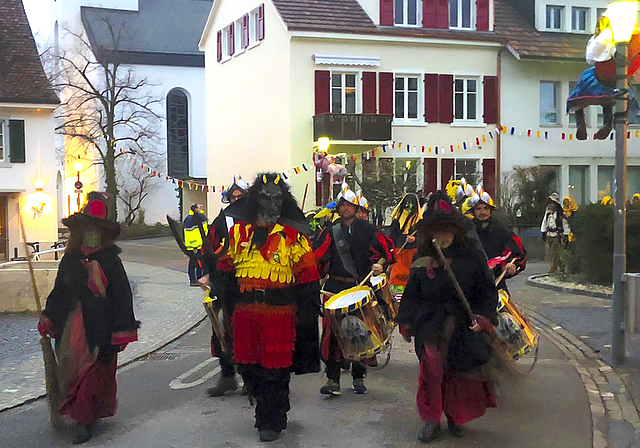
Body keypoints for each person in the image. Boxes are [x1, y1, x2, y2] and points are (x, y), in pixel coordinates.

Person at [214, 173, 321, 442]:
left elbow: (308, 280)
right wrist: (215, 283)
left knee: (275, 369)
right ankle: (266, 410)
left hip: (280, 314)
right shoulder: (238, 234)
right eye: (265, 198)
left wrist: (306, 319)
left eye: (277, 198)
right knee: (249, 368)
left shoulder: (293, 238)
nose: (271, 204)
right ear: (254, 201)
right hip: (245, 313)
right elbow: (226, 270)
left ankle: (272, 419)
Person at [396, 191, 498, 444]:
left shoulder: (472, 257)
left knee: (456, 372)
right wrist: (406, 320)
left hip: (461, 323)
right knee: (431, 368)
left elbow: (487, 290)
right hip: (430, 322)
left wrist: (483, 316)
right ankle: (431, 419)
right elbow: (412, 292)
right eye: (437, 230)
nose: (443, 235)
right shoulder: (422, 259)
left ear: (456, 231)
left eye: (447, 229)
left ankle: (454, 416)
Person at [38, 192, 139, 444]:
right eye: (88, 229)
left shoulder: (111, 261)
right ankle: (81, 413)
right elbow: (60, 291)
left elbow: (122, 295)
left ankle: (84, 421)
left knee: (93, 374)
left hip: (101, 327)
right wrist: (49, 316)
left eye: (96, 229)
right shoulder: (70, 259)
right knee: (72, 371)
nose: (91, 233)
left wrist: (122, 330)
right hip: (72, 326)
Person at [313, 184, 394, 396]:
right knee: (332, 334)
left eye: (349, 205)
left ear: (356, 207)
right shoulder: (331, 230)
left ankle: (358, 377)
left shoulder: (368, 229)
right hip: (336, 287)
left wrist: (381, 265)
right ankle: (333, 379)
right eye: (342, 205)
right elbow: (317, 257)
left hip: (360, 286)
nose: (345, 208)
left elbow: (388, 251)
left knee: (359, 332)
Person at [199, 175, 248, 397]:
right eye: (233, 197)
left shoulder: (255, 220)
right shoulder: (221, 221)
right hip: (223, 283)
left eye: (240, 196)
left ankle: (250, 378)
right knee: (221, 330)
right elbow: (208, 249)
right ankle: (227, 376)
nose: (236, 200)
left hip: (248, 283)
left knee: (246, 332)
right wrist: (206, 274)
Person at [567, 9, 640, 140]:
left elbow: (591, 58)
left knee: (579, 96)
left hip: (598, 78)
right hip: (617, 81)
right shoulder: (630, 41)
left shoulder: (604, 38)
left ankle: (581, 123)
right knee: (611, 101)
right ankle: (608, 122)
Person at [470, 189, 526, 290]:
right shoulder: (466, 232)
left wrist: (511, 268)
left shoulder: (502, 232)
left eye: (486, 208)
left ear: (491, 210)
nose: (482, 212)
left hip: (496, 286)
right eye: (478, 209)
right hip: (470, 287)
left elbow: (518, 255)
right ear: (473, 211)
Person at [388, 193, 423, 290]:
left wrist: (415, 239)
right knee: (397, 277)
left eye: (412, 204)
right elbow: (392, 236)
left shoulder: (419, 220)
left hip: (414, 254)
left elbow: (423, 236)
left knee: (413, 277)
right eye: (407, 203)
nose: (409, 206)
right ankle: (397, 297)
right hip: (399, 252)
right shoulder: (397, 219)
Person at [540, 193, 570, 273]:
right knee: (552, 253)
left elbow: (565, 224)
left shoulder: (560, 214)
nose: (550, 204)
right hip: (549, 235)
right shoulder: (548, 213)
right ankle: (560, 266)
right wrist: (543, 232)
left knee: (555, 253)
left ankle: (553, 269)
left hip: (557, 236)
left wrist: (566, 235)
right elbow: (544, 222)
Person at [183, 203, 208, 286]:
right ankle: (197, 279)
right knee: (197, 263)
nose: (201, 209)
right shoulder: (197, 218)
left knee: (194, 263)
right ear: (195, 209)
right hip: (197, 245)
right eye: (199, 207)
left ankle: (194, 279)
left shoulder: (188, 218)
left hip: (193, 245)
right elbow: (194, 233)